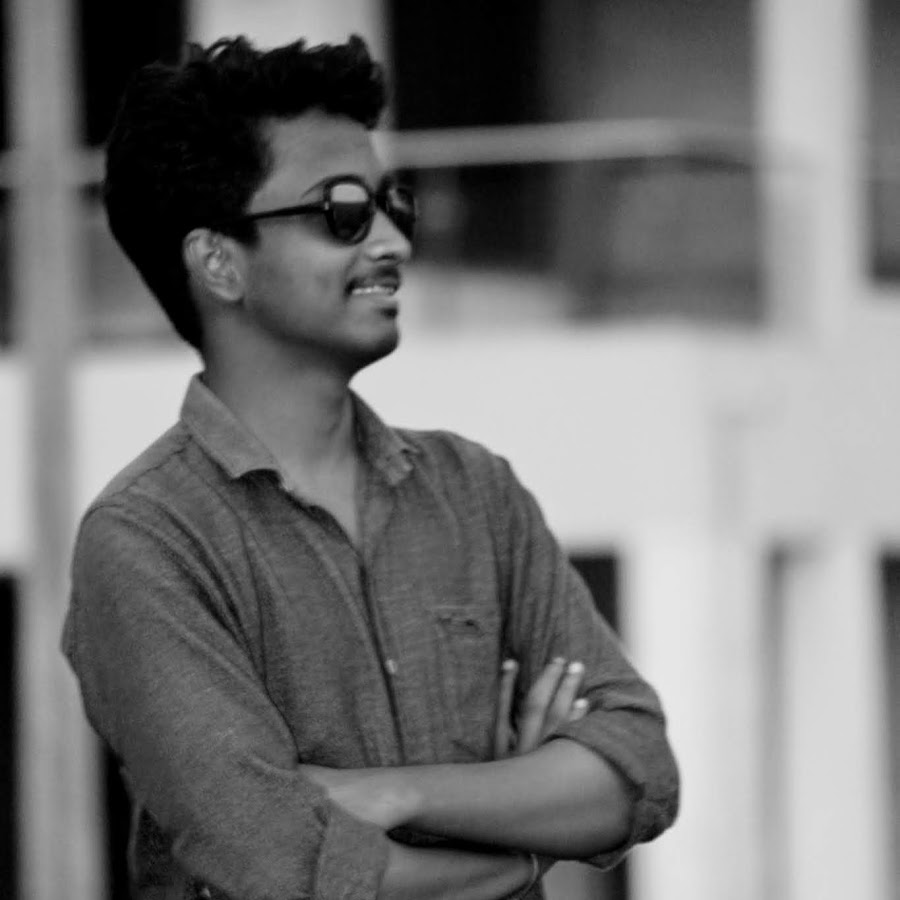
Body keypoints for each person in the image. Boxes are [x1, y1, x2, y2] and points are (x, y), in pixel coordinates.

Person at [62, 34, 679, 900]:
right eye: (343, 211)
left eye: (395, 204)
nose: (392, 240)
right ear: (219, 263)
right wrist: (526, 841)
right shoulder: (146, 541)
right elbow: (281, 866)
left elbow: (639, 768)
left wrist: (399, 793)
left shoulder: (477, 492)